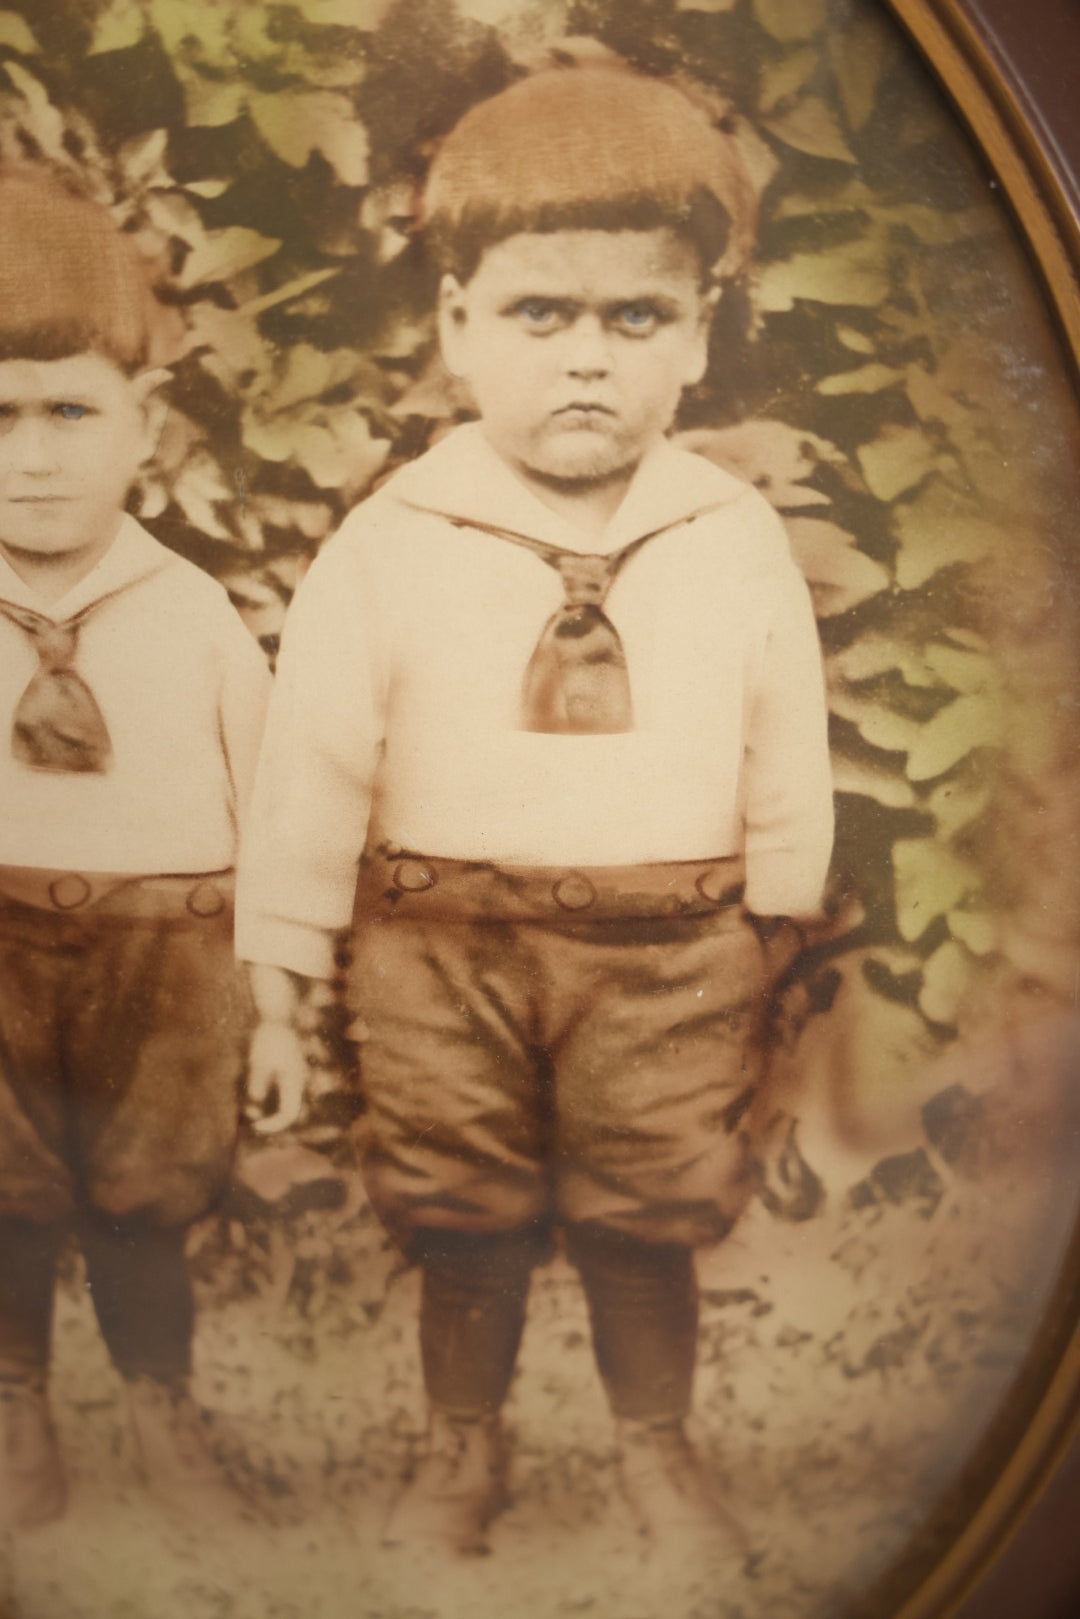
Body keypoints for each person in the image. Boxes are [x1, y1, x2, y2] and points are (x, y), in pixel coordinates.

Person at [238, 63, 834, 1558]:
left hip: (674, 946)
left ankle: (658, 1454)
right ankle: (463, 1453)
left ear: (699, 336)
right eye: (539, 317)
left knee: (648, 1210)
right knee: (464, 1210)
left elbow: (787, 747)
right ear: (456, 327)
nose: (588, 363)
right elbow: (313, 762)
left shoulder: (727, 534)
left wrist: (779, 934)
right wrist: (275, 983)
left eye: (636, 320)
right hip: (441, 945)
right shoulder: (394, 540)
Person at [0, 171, 271, 1529]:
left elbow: (271, 813)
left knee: (144, 1195)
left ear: (143, 428)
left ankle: (163, 1414)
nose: (31, 458)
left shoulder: (195, 616)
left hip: (164, 958)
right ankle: (15, 1420)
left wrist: (272, 1005)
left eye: (67, 412)